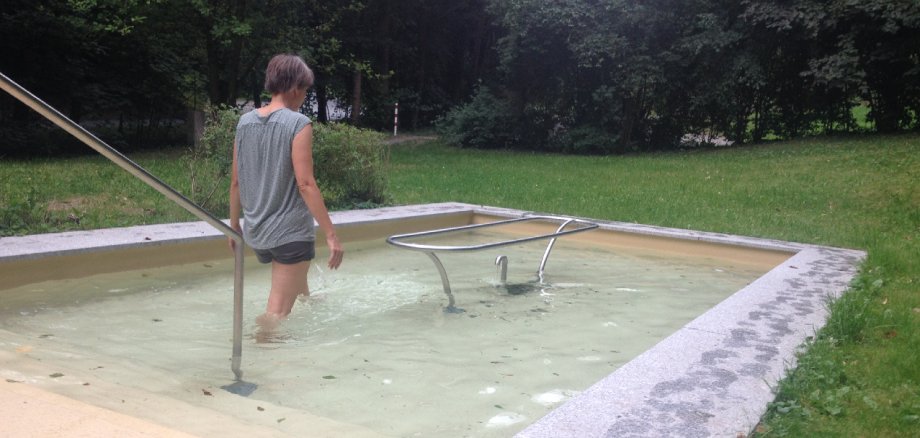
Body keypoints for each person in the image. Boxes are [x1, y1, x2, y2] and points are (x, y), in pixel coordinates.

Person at [228, 54, 344, 334]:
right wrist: (331, 234)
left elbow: (236, 182)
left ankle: (307, 298)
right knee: (276, 313)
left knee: (294, 269)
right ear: (294, 88)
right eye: (305, 89)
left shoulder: (244, 123)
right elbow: (305, 184)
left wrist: (234, 227)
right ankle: (257, 362)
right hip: (289, 233)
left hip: (257, 231)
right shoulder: (298, 123)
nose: (305, 96)